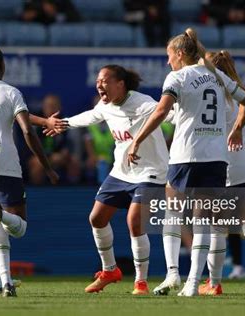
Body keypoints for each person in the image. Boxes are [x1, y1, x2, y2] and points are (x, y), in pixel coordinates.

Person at [127, 28, 245, 296]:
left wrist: (137, 140)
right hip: (216, 159)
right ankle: (194, 284)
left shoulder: (177, 76)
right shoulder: (217, 76)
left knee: (172, 214)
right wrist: (239, 127)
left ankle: (172, 274)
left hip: (185, 156)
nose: (167, 61)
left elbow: (162, 110)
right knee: (203, 222)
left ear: (180, 54)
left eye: (169, 55)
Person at [57, 64, 169, 295]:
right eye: (98, 81)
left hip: (151, 171)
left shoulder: (142, 102)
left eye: (105, 80)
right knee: (96, 218)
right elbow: (90, 117)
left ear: (121, 84)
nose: (99, 84)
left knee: (134, 222)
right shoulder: (105, 105)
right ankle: (110, 270)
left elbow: (164, 111)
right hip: (121, 172)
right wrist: (64, 123)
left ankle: (141, 282)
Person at [0, 41, 59, 297]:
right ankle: (4, 280)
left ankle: (0, 282)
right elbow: (26, 128)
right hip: (3, 161)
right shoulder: (10, 91)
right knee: (18, 227)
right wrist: (47, 167)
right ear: (2, 65)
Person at [195, 50, 245, 297]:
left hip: (230, 169)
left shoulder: (215, 97)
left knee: (219, 229)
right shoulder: (243, 93)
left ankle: (214, 283)